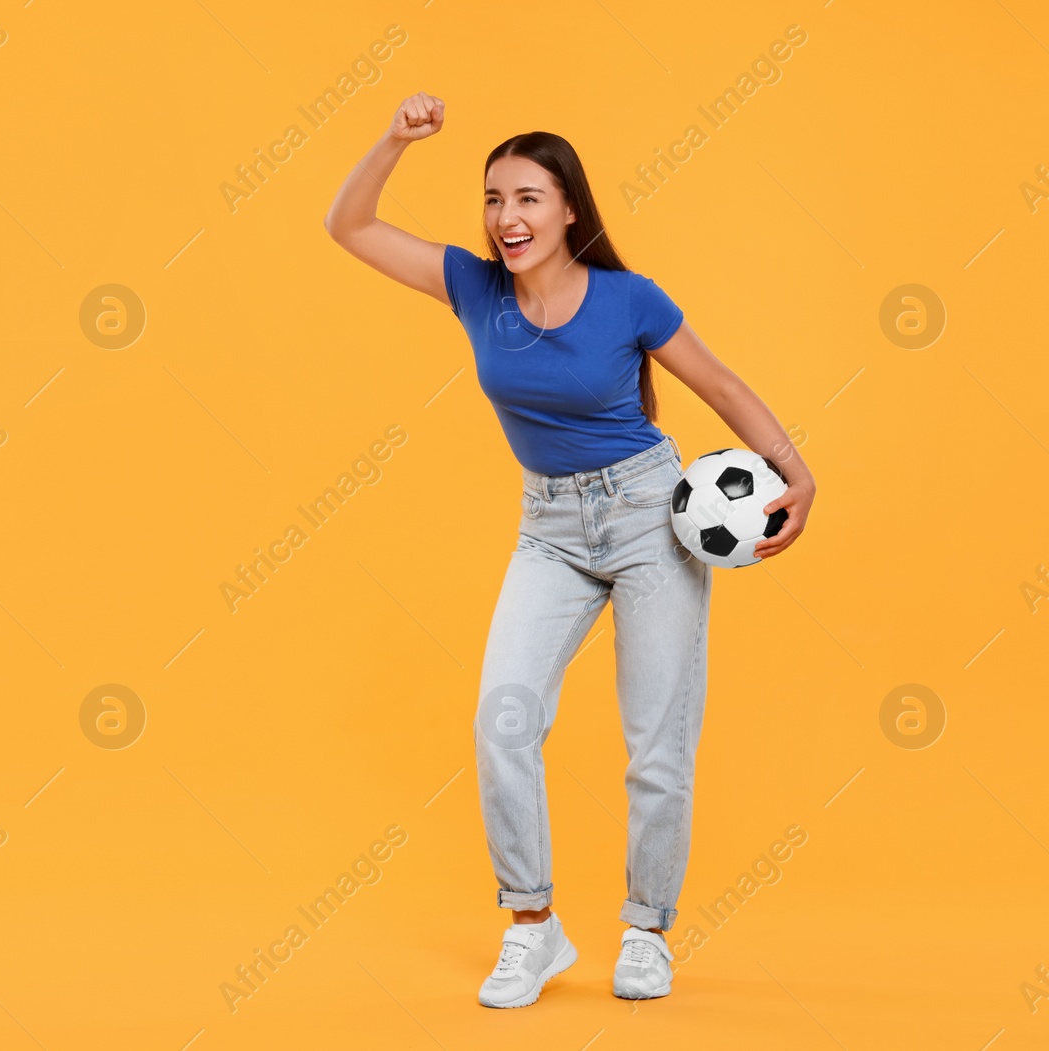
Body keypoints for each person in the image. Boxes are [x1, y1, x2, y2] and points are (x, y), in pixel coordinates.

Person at [323, 93, 817, 1006]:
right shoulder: (472, 286)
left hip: (646, 519)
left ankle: (647, 929)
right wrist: (395, 139)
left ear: (569, 210)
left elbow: (720, 383)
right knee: (502, 720)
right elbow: (348, 224)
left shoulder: (631, 299)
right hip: (548, 528)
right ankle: (532, 927)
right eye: (492, 199)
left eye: (527, 199)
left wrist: (799, 475)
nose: (505, 219)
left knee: (656, 742)